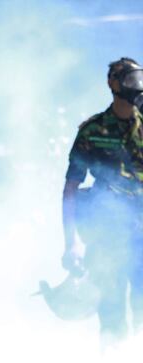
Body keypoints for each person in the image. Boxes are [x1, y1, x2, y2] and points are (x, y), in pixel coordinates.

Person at [61, 57, 143, 343]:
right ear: (114, 83)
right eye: (130, 80)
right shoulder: (92, 131)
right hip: (108, 234)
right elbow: (71, 188)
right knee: (112, 311)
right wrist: (72, 242)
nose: (137, 86)